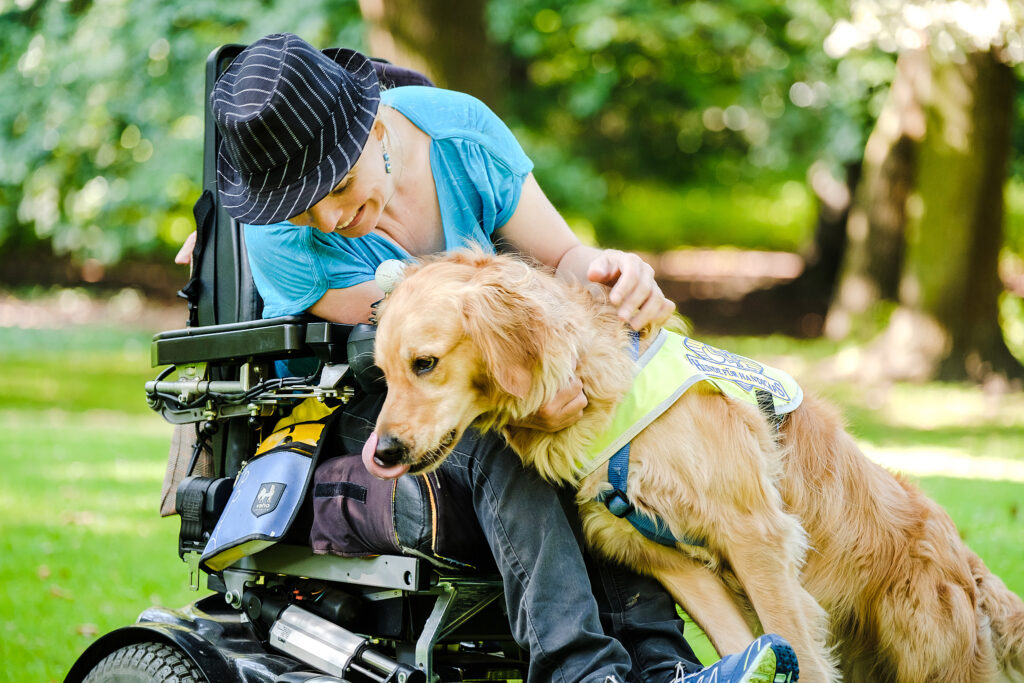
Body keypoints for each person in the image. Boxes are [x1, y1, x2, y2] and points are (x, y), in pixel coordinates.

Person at [198, 32, 799, 683]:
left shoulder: (463, 136)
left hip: (472, 369)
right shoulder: (278, 235)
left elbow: (566, 262)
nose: (331, 216)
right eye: (303, 206)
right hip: (351, 404)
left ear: (375, 128)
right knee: (505, 445)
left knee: (596, 432)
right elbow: (402, 343)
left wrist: (613, 273)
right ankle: (584, 674)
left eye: (339, 185)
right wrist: (526, 402)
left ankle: (666, 668)